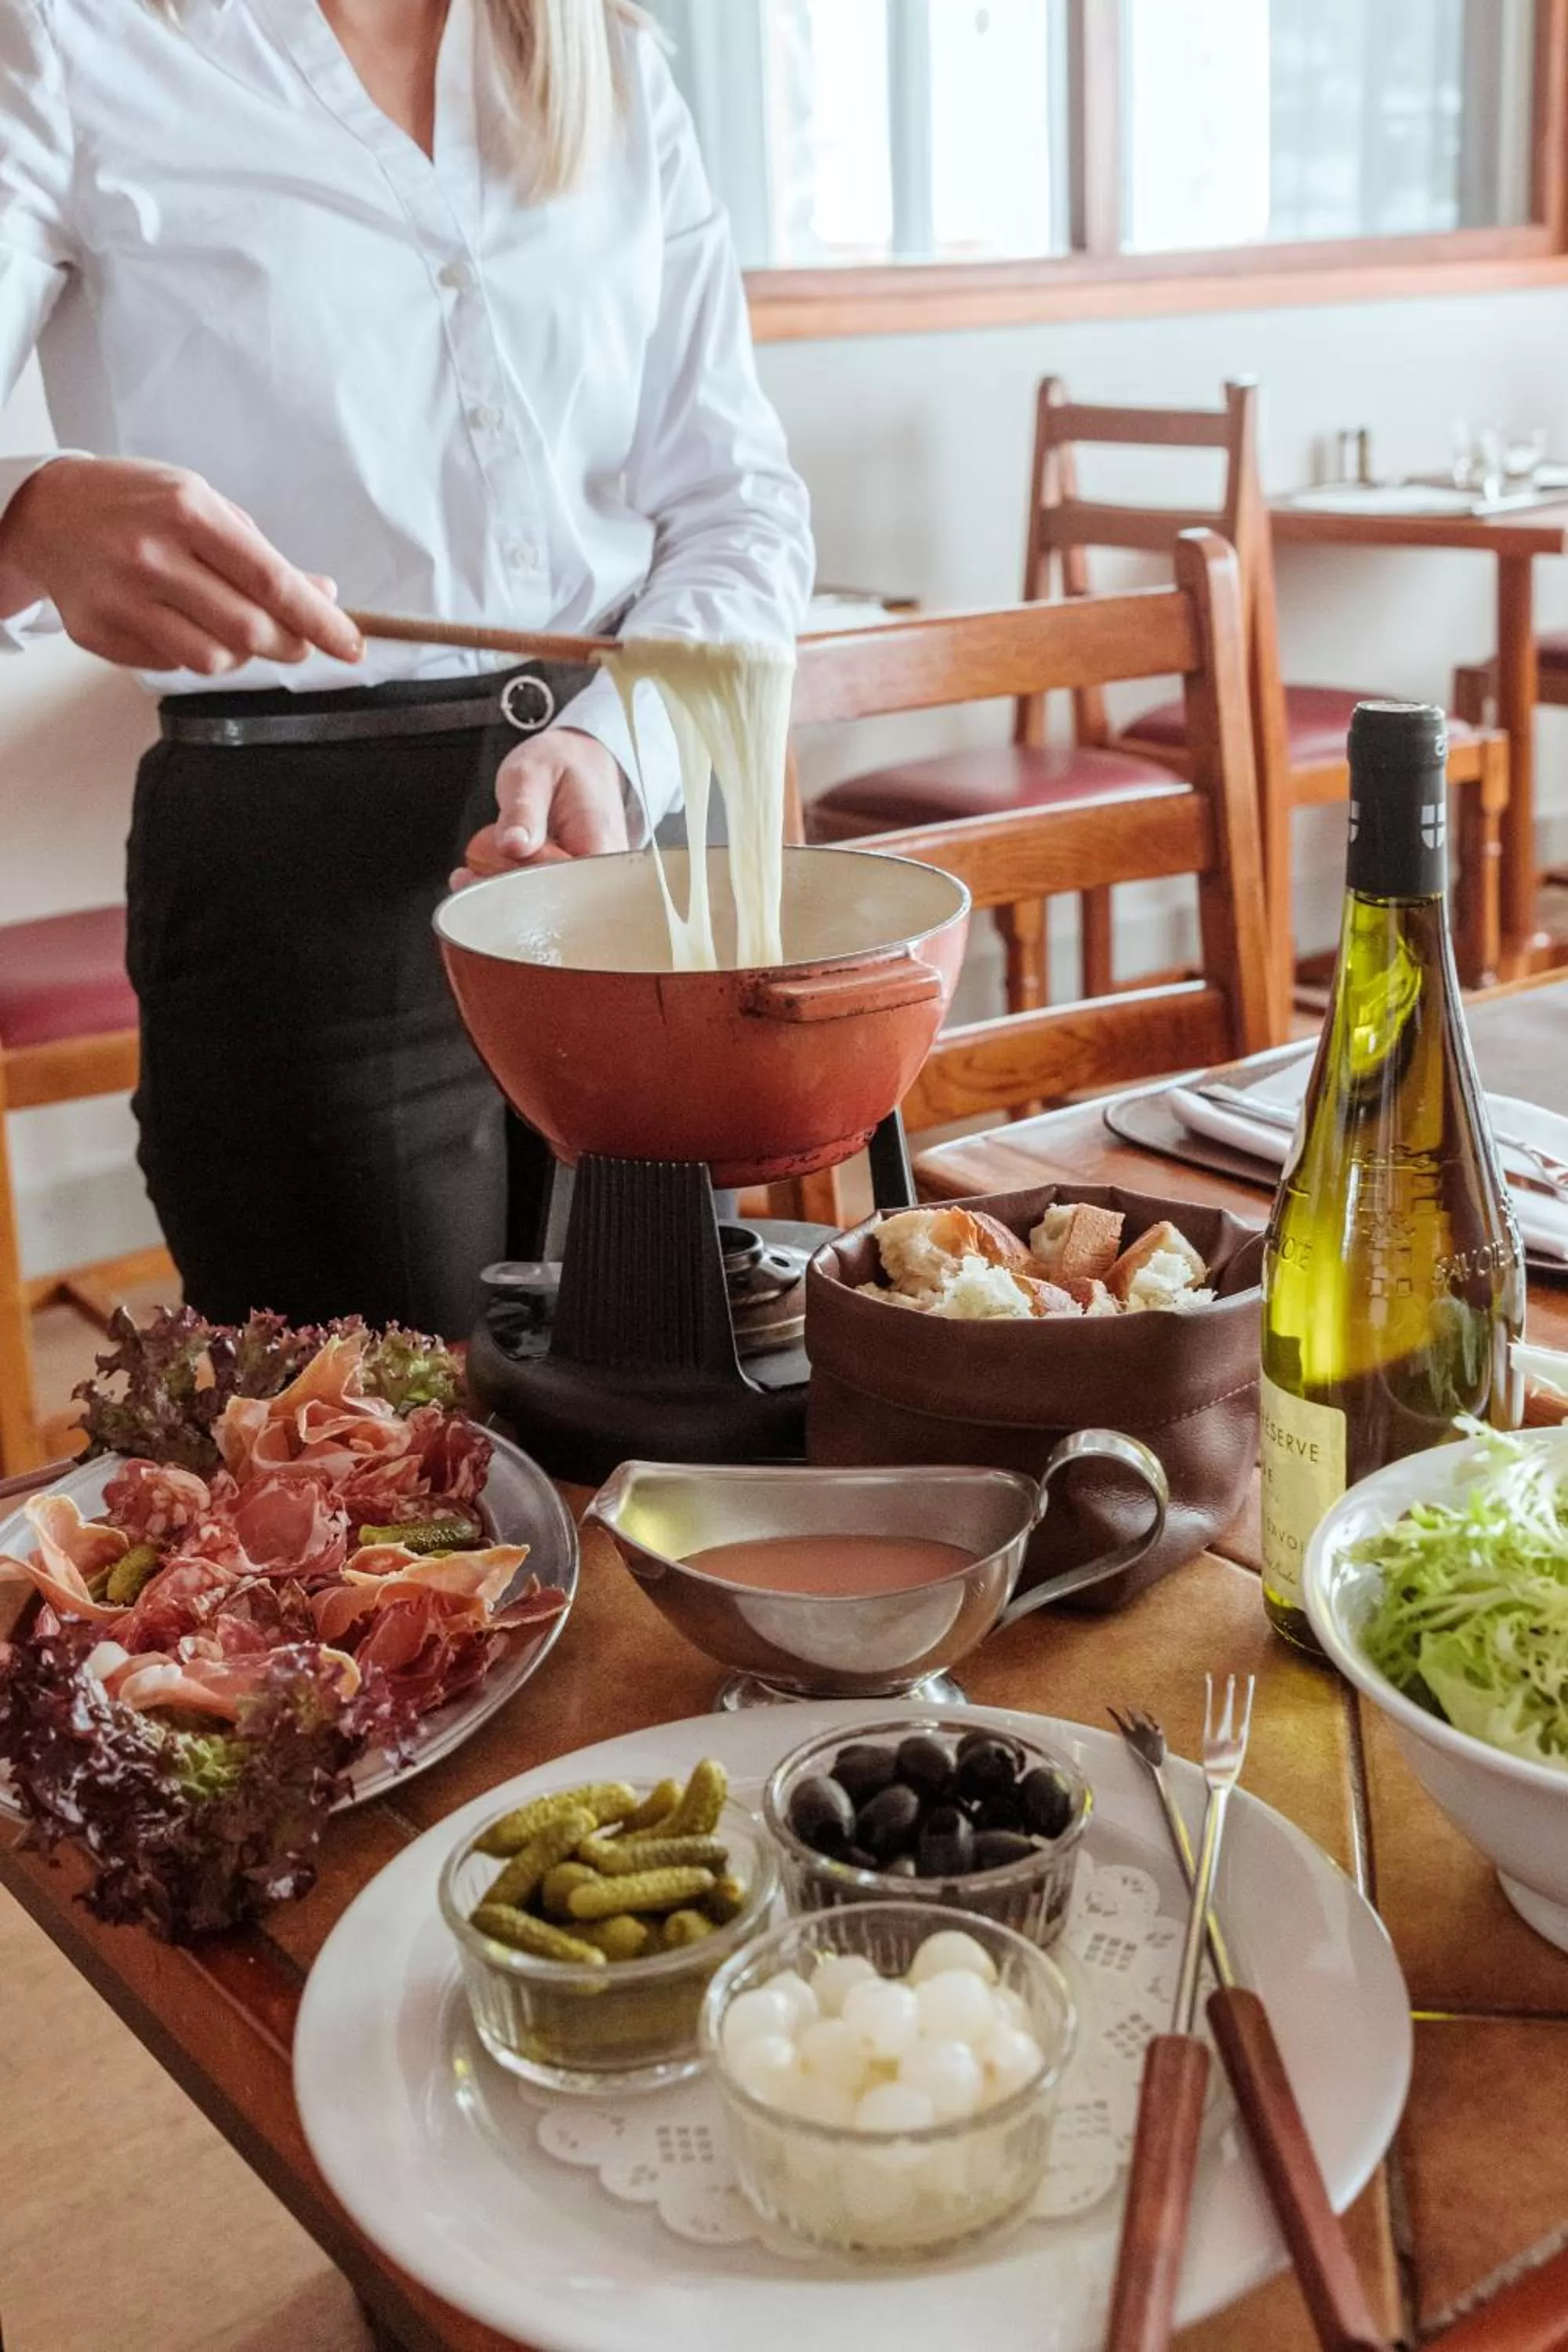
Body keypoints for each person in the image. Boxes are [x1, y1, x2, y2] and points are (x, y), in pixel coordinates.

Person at [0, 0, 813, 1336]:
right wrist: (27, 512)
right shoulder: (71, 37)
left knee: (664, 1430)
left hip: (625, 857)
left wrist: (618, 744)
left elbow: (739, 508)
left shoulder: (607, 55)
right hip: (297, 887)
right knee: (372, 1474)